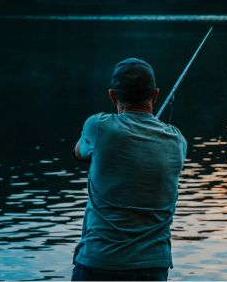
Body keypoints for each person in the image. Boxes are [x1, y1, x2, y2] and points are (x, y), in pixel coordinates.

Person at [72, 58, 186, 281]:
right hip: (153, 266)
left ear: (112, 95)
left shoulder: (98, 126)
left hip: (99, 262)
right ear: (155, 95)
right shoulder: (177, 140)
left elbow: (78, 153)